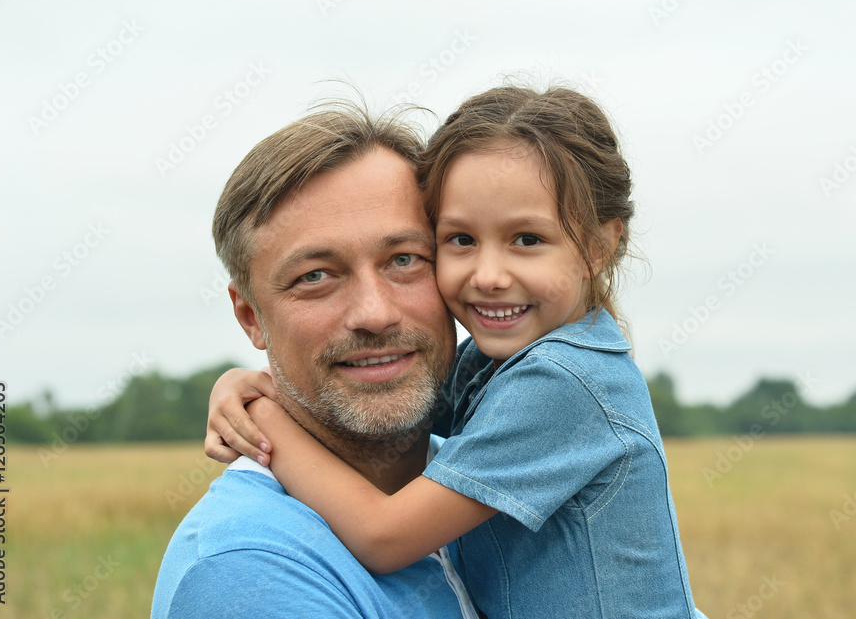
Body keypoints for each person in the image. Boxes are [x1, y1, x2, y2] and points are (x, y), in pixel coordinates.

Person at [211, 86, 706, 618]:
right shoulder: (490, 366)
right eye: (461, 240)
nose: (488, 276)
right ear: (249, 315)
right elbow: (385, 397)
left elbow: (385, 537)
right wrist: (243, 384)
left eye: (527, 239)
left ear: (600, 245)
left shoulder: (566, 383)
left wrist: (265, 419)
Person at [150, 103, 479, 619]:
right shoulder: (246, 569)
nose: (374, 314)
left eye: (405, 260)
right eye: (315, 276)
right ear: (250, 315)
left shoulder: (491, 472)